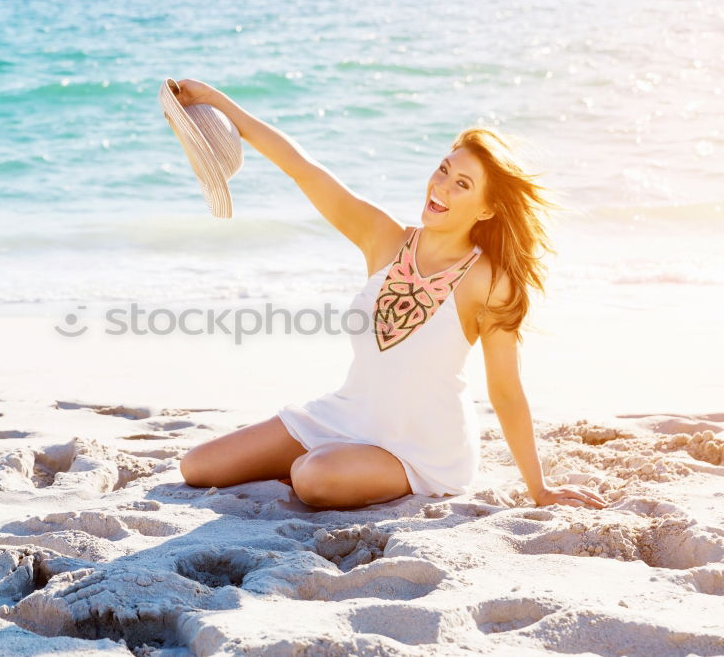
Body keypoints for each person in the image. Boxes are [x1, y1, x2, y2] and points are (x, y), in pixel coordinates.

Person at [174, 78, 607, 512]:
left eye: (462, 184)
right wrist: (217, 103)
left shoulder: (490, 282)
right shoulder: (383, 238)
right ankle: (339, 463)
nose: (441, 188)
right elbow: (302, 168)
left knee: (312, 476)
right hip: (343, 417)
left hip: (420, 447)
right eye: (443, 170)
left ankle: (347, 469)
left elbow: (506, 391)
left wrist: (540, 489)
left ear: (487, 209)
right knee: (198, 466)